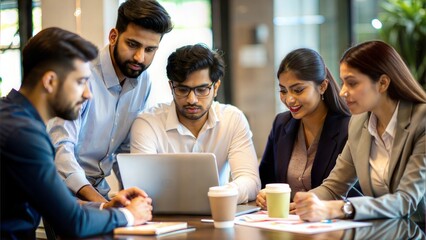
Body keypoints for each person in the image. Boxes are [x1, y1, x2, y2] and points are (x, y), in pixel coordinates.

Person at [0, 27, 153, 239]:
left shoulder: (13, 117)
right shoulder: (23, 134)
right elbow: (73, 223)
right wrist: (128, 214)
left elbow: (51, 200)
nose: (88, 94)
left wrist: (105, 207)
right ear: (50, 81)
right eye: (80, 82)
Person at [47, 0, 173, 203]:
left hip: (99, 192)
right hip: (60, 195)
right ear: (113, 36)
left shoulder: (143, 81)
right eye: (133, 45)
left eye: (150, 50)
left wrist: (137, 198)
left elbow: (124, 149)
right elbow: (61, 149)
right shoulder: (81, 73)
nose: (140, 58)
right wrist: (103, 205)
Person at [293, 40, 426, 223]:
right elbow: (333, 187)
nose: (342, 92)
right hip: (383, 231)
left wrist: (343, 207)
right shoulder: (358, 123)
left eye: (352, 83)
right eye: (342, 83)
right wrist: (302, 202)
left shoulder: (422, 122)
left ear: (383, 83)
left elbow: (406, 201)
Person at [130, 44, 261, 204]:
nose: (192, 99)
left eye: (202, 90)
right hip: (162, 219)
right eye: (183, 89)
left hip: (217, 213)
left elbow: (251, 181)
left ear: (216, 87)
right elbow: (142, 188)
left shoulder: (232, 119)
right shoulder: (148, 123)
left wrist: (222, 193)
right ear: (171, 86)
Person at [255, 48, 351, 209]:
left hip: (332, 224)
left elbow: (353, 192)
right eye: (283, 91)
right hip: (287, 224)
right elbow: (266, 179)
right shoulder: (281, 124)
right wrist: (264, 194)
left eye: (298, 90)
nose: (289, 99)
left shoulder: (347, 128)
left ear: (322, 86)